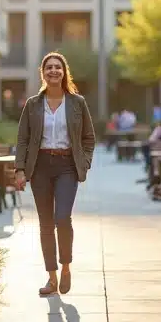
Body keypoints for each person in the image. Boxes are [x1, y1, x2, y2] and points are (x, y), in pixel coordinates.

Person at [14, 52, 95, 296]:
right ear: (43, 72)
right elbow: (23, 139)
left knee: (62, 218)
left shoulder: (77, 102)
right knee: (46, 224)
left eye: (57, 67)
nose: (53, 71)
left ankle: (66, 267)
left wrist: (85, 162)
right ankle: (51, 278)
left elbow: (89, 138)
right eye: (48, 67)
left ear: (64, 71)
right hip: (40, 167)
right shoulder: (33, 104)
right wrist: (20, 169)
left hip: (67, 166)